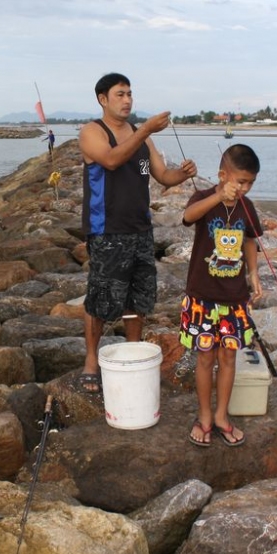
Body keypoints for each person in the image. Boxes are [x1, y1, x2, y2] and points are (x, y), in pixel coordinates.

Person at [77, 73, 197, 393]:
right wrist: (145, 129)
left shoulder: (141, 136)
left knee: (137, 299)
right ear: (103, 99)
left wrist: (182, 174)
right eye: (120, 94)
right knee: (100, 299)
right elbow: (112, 160)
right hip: (107, 231)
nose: (127, 99)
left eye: (130, 94)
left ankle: (131, 355)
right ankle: (91, 362)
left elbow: (163, 176)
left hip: (141, 229)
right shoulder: (92, 132)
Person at [179, 144, 263, 446]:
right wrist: (218, 196)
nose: (244, 188)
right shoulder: (204, 198)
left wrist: (253, 274)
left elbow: (251, 240)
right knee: (204, 358)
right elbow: (188, 216)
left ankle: (221, 416)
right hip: (202, 296)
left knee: (229, 357)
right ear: (222, 175)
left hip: (234, 298)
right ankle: (203, 415)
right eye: (240, 181)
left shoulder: (247, 207)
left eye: (250, 182)